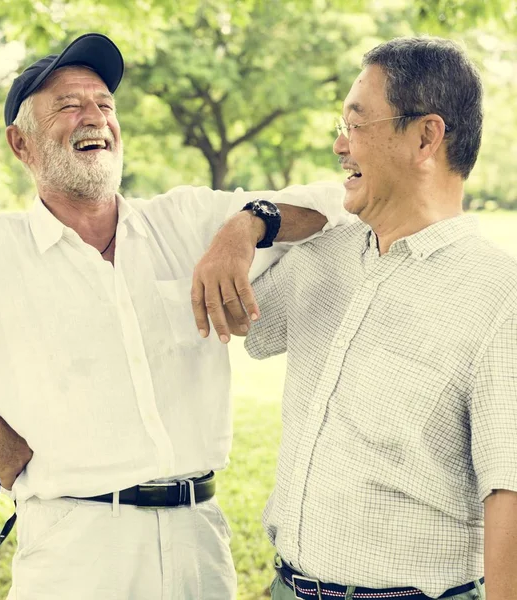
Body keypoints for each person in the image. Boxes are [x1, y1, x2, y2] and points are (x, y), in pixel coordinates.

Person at [0, 33, 348, 599]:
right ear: (20, 144)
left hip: (201, 544)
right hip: (75, 553)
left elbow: (340, 202)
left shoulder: (187, 221)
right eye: (68, 106)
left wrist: (248, 225)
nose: (94, 117)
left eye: (104, 104)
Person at [213, 36, 517, 600]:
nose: (338, 145)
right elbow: (233, 316)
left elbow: (511, 493)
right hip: (287, 587)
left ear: (426, 136)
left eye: (357, 124)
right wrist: (247, 224)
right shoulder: (325, 254)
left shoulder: (500, 294)